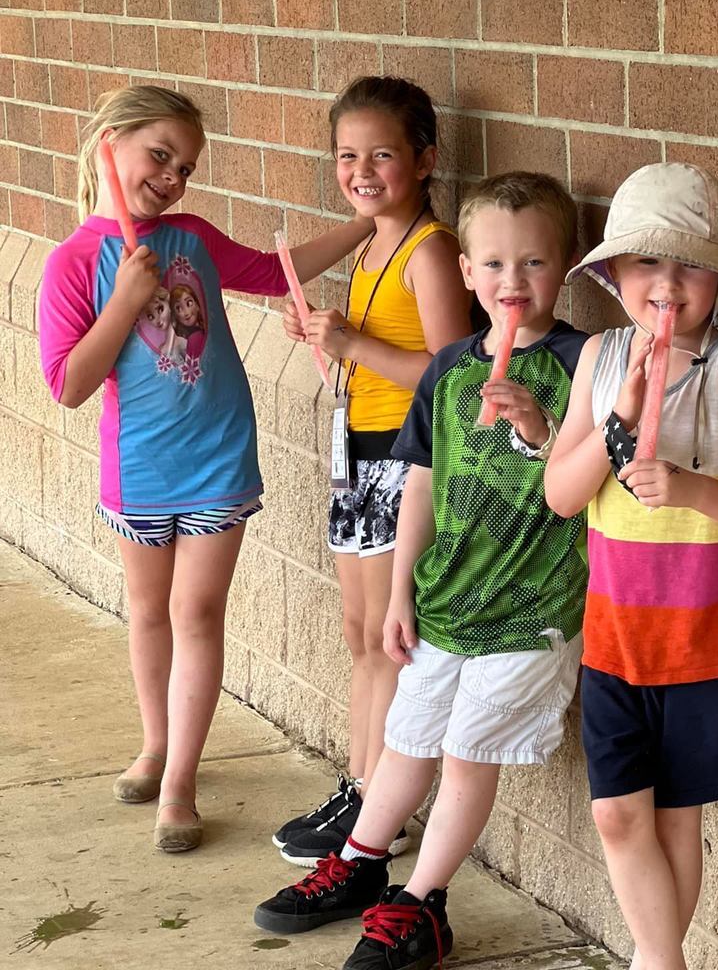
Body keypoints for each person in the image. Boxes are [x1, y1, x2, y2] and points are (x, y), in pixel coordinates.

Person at [253, 172, 589, 969]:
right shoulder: (448, 368)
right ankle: (363, 864)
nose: (514, 284)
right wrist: (399, 593)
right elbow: (422, 487)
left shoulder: (583, 363)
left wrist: (540, 429)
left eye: (534, 265)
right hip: (444, 599)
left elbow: (582, 486)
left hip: (530, 609)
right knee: (408, 739)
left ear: (566, 267)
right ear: (467, 272)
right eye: (496, 266)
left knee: (469, 750)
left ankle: (422, 904)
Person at [38, 85, 373, 853]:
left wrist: (365, 227)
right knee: (149, 613)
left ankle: (182, 781)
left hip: (218, 457)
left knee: (196, 614)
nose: (173, 177)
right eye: (160, 155)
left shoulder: (189, 237)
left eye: (185, 166)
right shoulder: (75, 262)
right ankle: (155, 745)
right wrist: (124, 302)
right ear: (109, 144)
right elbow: (69, 385)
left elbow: (270, 270)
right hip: (140, 471)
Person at [544, 163, 718, 970]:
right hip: (614, 637)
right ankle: (666, 960)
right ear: (614, 276)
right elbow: (560, 495)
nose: (667, 283)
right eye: (647, 262)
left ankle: (656, 961)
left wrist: (689, 486)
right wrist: (618, 419)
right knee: (619, 817)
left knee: (678, 819)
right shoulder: (602, 360)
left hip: (700, 640)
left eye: (689, 264)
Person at [271, 76, 473, 867]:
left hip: (403, 452)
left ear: (424, 159)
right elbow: (308, 284)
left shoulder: (432, 249)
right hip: (355, 443)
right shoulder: (371, 241)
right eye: (346, 155)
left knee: (388, 639)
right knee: (359, 631)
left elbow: (452, 372)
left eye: (382, 154)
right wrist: (326, 333)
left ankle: (375, 815)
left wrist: (354, 345)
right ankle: (359, 787)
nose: (361, 169)